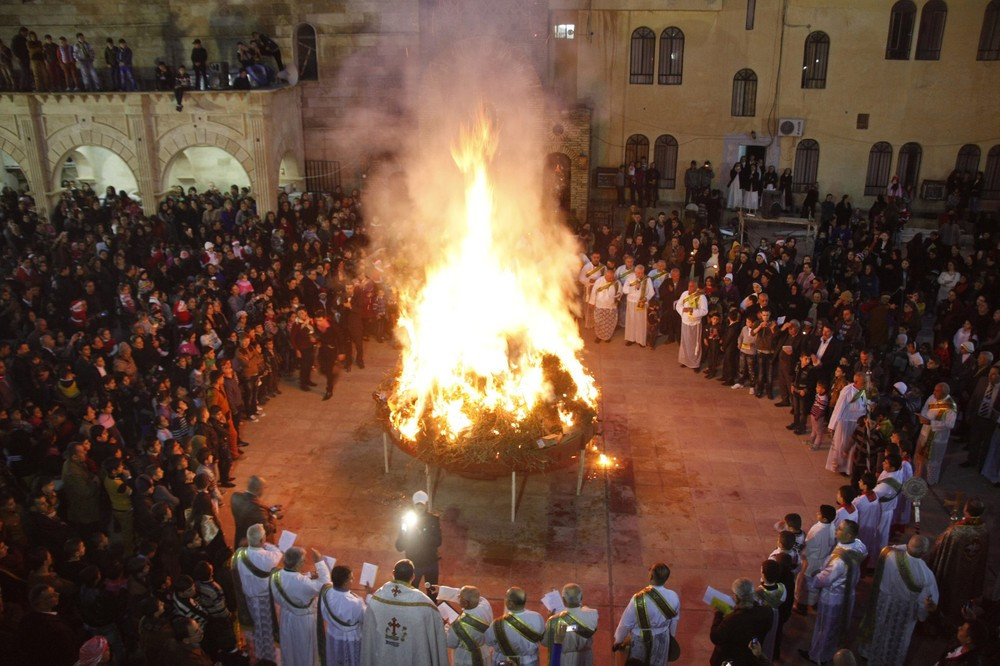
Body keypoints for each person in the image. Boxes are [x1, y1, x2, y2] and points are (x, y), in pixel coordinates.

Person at [857, 536, 939, 666]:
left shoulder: (889, 556)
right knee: (896, 641)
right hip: (904, 612)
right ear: (924, 552)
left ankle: (871, 657)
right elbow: (927, 602)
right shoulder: (926, 574)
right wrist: (923, 614)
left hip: (885, 603)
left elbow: (893, 548)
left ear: (907, 546)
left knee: (880, 631)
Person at [800, 519, 867, 665]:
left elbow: (824, 579)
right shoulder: (859, 546)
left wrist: (814, 577)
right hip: (848, 594)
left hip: (832, 597)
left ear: (849, 536)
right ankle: (831, 651)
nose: (836, 529)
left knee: (825, 628)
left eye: (841, 529)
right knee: (836, 627)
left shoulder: (839, 561)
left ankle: (818, 656)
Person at [361, 559, 448, 665]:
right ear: (413, 577)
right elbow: (435, 635)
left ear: (393, 574)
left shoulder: (377, 598)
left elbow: (368, 634)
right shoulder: (425, 604)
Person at [929, 498, 989, 624]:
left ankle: (943, 616)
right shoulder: (984, 530)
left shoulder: (956, 532)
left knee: (949, 591)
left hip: (953, 568)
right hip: (971, 570)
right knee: (964, 590)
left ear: (966, 510)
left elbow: (940, 545)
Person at [270, 546, 330, 666]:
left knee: (290, 651)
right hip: (303, 622)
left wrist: (307, 575)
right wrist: (319, 562)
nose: (305, 563)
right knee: (304, 653)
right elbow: (325, 584)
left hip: (286, 617)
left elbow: (291, 580)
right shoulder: (303, 583)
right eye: (303, 561)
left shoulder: (275, 575)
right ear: (296, 565)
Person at [231, 523, 282, 663]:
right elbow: (278, 552)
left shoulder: (239, 554)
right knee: (268, 629)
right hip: (265, 599)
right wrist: (267, 545)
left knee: (256, 628)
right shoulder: (267, 557)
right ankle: (269, 658)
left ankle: (258, 654)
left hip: (248, 599)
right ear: (262, 540)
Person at [613, 562, 680, 664]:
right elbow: (674, 620)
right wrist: (671, 637)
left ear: (651, 576)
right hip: (662, 638)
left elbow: (626, 624)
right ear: (666, 578)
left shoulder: (638, 599)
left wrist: (618, 640)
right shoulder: (673, 597)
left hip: (640, 640)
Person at [709, 577, 772, 666]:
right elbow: (767, 627)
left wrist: (718, 615)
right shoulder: (766, 611)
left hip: (730, 659)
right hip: (751, 657)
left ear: (737, 597)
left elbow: (716, 637)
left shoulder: (731, 619)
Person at [17, 583, 84, 665]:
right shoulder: (56, 628)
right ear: (41, 602)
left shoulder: (26, 619)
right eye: (52, 595)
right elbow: (69, 653)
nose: (58, 594)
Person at [318, 565, 368, 666]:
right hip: (349, 638)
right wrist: (369, 596)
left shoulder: (326, 592)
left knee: (334, 659)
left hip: (333, 633)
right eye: (351, 578)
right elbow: (366, 617)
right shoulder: (355, 602)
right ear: (345, 584)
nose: (353, 580)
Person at [485, 586, 545, 666]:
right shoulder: (537, 617)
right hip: (529, 662)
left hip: (504, 662)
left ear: (510, 604)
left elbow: (489, 641)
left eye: (506, 598)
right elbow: (542, 637)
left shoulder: (497, 624)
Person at [394, 490, 442, 589]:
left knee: (432, 593)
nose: (420, 508)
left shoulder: (433, 520)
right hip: (414, 565)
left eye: (422, 505)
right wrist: (406, 534)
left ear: (425, 505)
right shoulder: (406, 520)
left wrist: (422, 534)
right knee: (412, 593)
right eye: (417, 505)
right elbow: (399, 546)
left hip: (430, 563)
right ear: (414, 505)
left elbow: (438, 541)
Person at [543, 583, 598, 666]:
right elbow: (582, 613)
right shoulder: (593, 614)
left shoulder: (553, 621)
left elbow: (545, 642)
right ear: (581, 597)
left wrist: (552, 617)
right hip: (584, 660)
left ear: (563, 599)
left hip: (564, 661)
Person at [914, 382, 958, 485]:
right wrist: (924, 417)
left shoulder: (951, 406)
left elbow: (949, 424)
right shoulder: (932, 397)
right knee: (919, 456)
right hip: (925, 432)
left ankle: (930, 481)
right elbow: (925, 408)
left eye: (936, 391)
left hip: (937, 438)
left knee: (933, 461)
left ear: (943, 393)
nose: (933, 392)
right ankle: (917, 475)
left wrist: (931, 422)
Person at [438, 583, 492, 666]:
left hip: (466, 658)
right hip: (484, 652)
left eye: (459, 597)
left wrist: (444, 627)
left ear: (465, 603)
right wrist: (440, 590)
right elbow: (471, 594)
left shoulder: (459, 625)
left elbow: (450, 643)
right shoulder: (485, 605)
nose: (458, 597)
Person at [795, 504, 837, 613]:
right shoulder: (831, 526)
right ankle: (812, 603)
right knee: (814, 581)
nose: (817, 513)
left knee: (807, 582)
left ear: (824, 519)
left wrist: (802, 553)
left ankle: (803, 605)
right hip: (822, 558)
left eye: (819, 513)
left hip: (813, 560)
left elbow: (809, 546)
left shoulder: (818, 531)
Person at [826, 372, 868, 475]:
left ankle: (848, 468)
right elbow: (838, 408)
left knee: (853, 445)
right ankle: (839, 466)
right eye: (863, 382)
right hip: (846, 421)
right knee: (842, 444)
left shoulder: (864, 391)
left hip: (858, 423)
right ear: (856, 382)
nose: (865, 384)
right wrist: (832, 425)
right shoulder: (847, 391)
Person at [962, 364, 1000, 470]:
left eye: (993, 374)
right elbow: (974, 398)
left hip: (990, 421)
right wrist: (969, 413)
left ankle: (982, 465)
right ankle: (971, 460)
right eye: (989, 373)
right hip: (977, 416)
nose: (990, 376)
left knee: (987, 444)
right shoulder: (982, 381)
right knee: (974, 440)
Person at [231, 475, 276, 546]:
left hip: (240, 538)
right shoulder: (257, 509)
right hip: (253, 544)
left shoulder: (235, 497)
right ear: (258, 489)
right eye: (264, 488)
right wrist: (274, 516)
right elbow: (267, 529)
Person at [675, 279, 708, 370]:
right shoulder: (685, 294)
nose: (690, 288)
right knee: (685, 342)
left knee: (695, 344)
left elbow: (704, 311)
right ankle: (685, 360)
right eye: (689, 286)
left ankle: (695, 364)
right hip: (685, 322)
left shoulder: (701, 297)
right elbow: (678, 305)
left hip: (695, 323)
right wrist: (683, 310)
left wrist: (693, 311)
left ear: (697, 287)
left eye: (692, 286)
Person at [622, 264, 655, 347]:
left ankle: (640, 340)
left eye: (641, 273)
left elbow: (652, 292)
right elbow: (625, 290)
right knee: (631, 320)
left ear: (643, 272)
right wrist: (633, 287)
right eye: (637, 273)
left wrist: (646, 298)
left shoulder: (647, 279)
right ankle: (631, 339)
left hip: (641, 302)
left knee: (641, 321)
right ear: (635, 272)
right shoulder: (630, 278)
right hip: (631, 302)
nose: (639, 275)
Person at [315, 310, 344, 401]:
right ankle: (331, 375)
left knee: (328, 370)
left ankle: (329, 390)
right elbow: (318, 336)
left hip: (331, 351)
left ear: (325, 319)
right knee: (322, 369)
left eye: (320, 320)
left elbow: (340, 338)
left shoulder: (332, 327)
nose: (318, 322)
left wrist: (341, 352)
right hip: (322, 350)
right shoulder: (316, 327)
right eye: (317, 320)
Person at [589, 268, 620, 343]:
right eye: (609, 278)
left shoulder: (617, 282)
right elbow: (594, 292)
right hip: (600, 306)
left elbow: (620, 291)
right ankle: (598, 336)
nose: (611, 279)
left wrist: (618, 295)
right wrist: (592, 302)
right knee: (599, 322)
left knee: (609, 323)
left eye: (612, 277)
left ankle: (607, 337)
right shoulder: (599, 281)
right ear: (605, 276)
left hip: (611, 307)